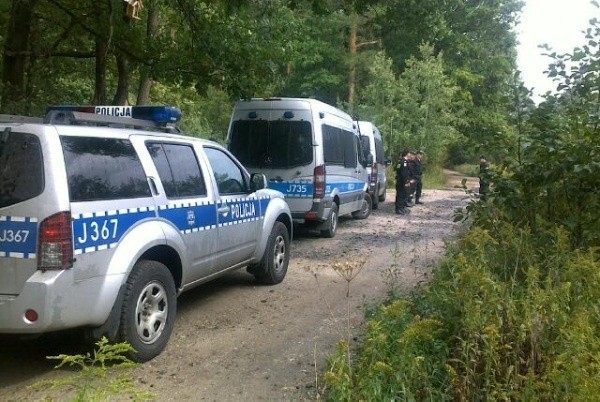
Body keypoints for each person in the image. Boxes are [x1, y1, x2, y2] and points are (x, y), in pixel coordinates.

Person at [395, 150, 413, 215]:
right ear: (407, 154)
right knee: (400, 195)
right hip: (402, 182)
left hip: (402, 181)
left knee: (403, 195)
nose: (410, 155)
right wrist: (406, 181)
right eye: (409, 153)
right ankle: (399, 209)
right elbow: (403, 173)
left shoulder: (402, 161)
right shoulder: (403, 162)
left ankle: (402, 208)